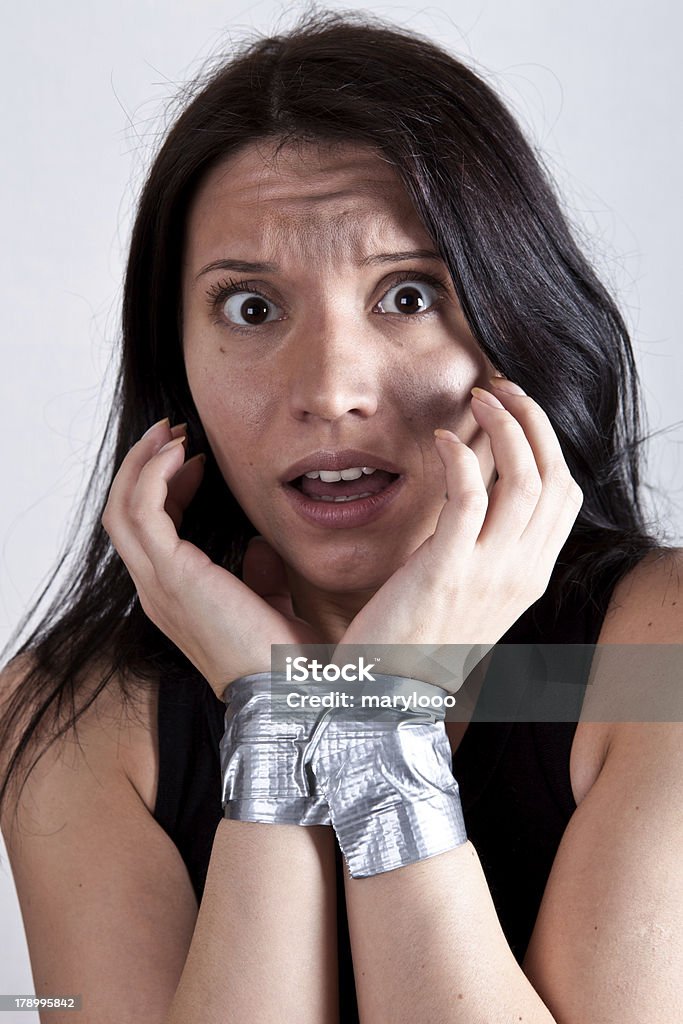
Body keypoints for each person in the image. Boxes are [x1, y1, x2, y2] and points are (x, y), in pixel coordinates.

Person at [1, 9, 681, 1023]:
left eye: (407, 296)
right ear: (172, 357)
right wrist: (274, 716)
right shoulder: (82, 710)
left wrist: (374, 717)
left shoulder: (647, 660)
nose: (328, 388)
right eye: (249, 308)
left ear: (514, 320)